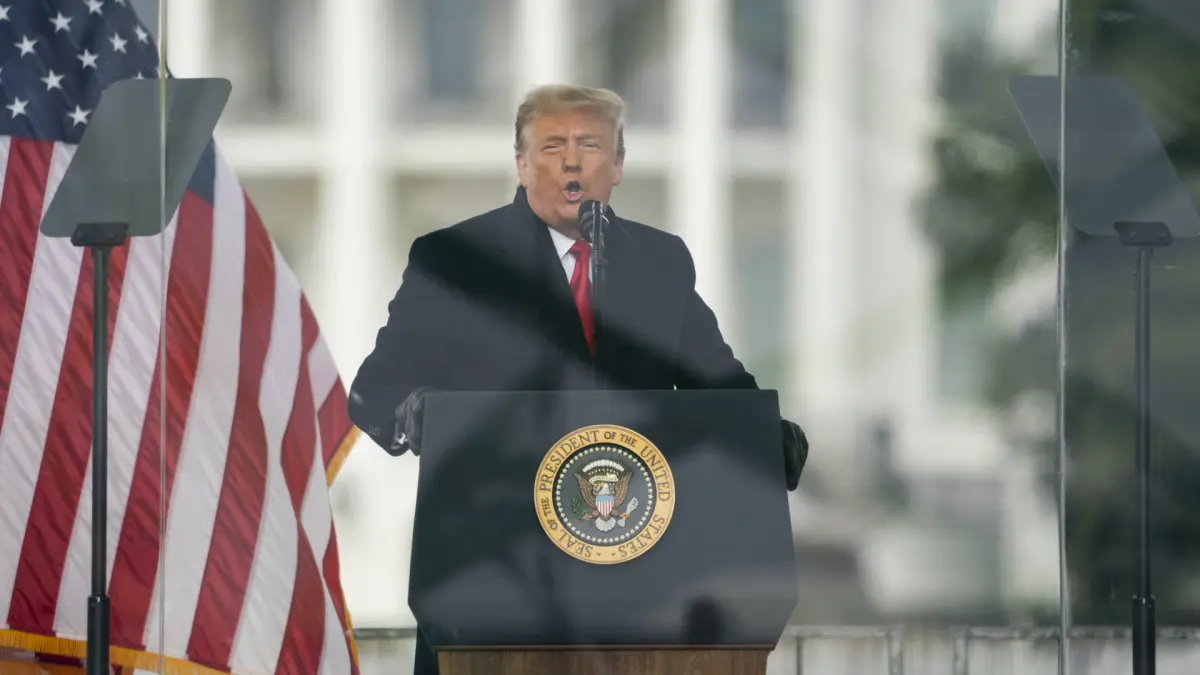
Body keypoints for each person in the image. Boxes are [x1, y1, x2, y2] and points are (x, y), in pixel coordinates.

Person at [347, 84, 809, 675]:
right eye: (551, 146)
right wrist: (419, 413)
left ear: (617, 165)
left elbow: (718, 385)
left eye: (590, 145)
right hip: (491, 579)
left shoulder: (659, 261)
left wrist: (764, 437)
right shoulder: (455, 260)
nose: (571, 162)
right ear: (521, 163)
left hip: (639, 585)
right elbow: (375, 390)